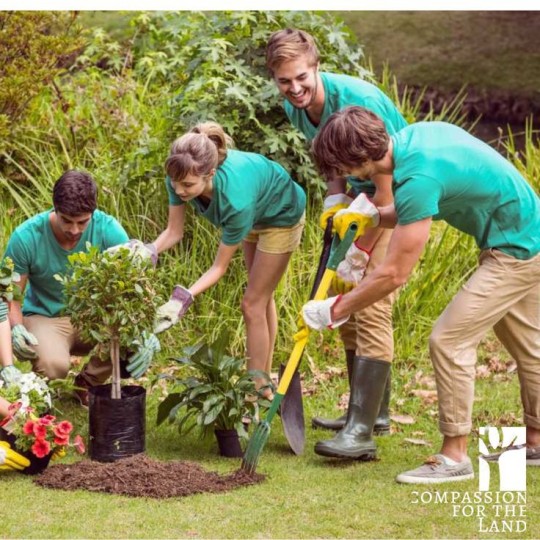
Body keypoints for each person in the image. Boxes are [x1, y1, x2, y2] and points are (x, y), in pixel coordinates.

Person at [302, 105, 540, 480]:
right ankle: (536, 443)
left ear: (358, 159)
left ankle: (454, 457)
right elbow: (415, 208)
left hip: (516, 249)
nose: (343, 175)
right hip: (526, 233)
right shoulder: (413, 142)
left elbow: (394, 274)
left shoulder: (417, 177)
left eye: (342, 167)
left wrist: (335, 309)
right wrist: (374, 216)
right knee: (528, 345)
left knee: (449, 340)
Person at [266, 28, 408, 447]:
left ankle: (363, 429)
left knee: (370, 302)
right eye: (284, 81)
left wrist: (361, 248)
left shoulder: (357, 100)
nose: (295, 89)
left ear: (317, 67)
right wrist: (335, 199)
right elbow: (329, 155)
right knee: (343, 297)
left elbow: (386, 183)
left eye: (301, 78)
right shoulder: (297, 106)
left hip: (398, 199)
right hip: (358, 202)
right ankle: (366, 412)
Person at [144, 122, 306, 389]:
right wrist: (147, 250)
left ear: (211, 173)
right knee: (261, 298)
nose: (180, 190)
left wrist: (183, 298)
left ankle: (255, 391)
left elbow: (219, 267)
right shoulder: (179, 174)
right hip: (255, 208)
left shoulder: (235, 201)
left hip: (281, 213)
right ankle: (264, 384)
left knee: (252, 304)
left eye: (188, 185)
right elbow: (173, 232)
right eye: (175, 183)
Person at [3, 170, 159, 406]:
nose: (75, 230)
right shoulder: (26, 237)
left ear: (93, 213)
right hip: (47, 317)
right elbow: (10, 296)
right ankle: (45, 385)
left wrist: (146, 334)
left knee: (128, 337)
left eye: (82, 222)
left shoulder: (109, 230)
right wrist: (16, 328)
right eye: (67, 220)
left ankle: (88, 382)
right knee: (54, 365)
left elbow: (132, 291)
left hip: (94, 317)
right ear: (55, 209)